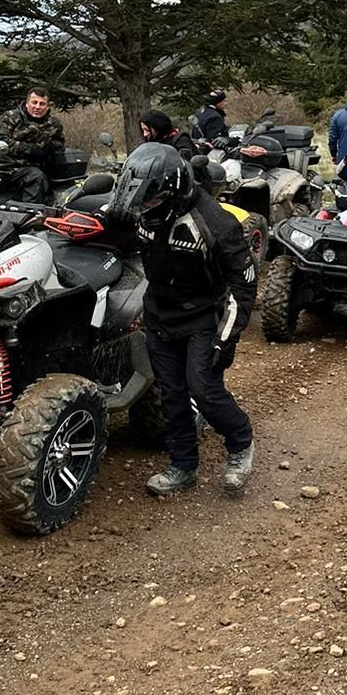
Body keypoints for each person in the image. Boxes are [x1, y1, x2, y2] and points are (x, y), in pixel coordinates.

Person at [107, 142, 258, 497]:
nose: (145, 207)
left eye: (152, 200)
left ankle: (240, 444)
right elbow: (104, 222)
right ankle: (183, 466)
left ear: (172, 190)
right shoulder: (139, 208)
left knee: (203, 388)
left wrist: (228, 337)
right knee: (170, 395)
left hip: (203, 316)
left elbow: (244, 283)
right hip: (158, 313)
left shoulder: (216, 223)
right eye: (140, 200)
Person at [0, 86, 66, 200]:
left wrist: (50, 153)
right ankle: (31, 212)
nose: (37, 107)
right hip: (7, 168)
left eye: (42, 104)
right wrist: (29, 150)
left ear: (47, 106)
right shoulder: (12, 117)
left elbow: (59, 145)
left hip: (38, 167)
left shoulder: (54, 124)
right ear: (27, 103)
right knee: (36, 177)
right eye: (34, 103)